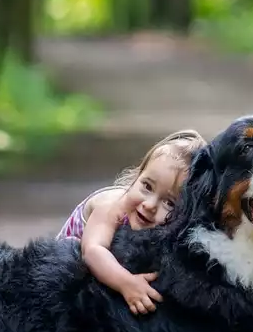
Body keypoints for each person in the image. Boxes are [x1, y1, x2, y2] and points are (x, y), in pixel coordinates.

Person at [57, 129, 206, 315]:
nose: (150, 205)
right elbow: (93, 250)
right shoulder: (111, 207)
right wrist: (127, 283)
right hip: (71, 268)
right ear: (137, 176)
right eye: (147, 186)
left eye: (169, 203)